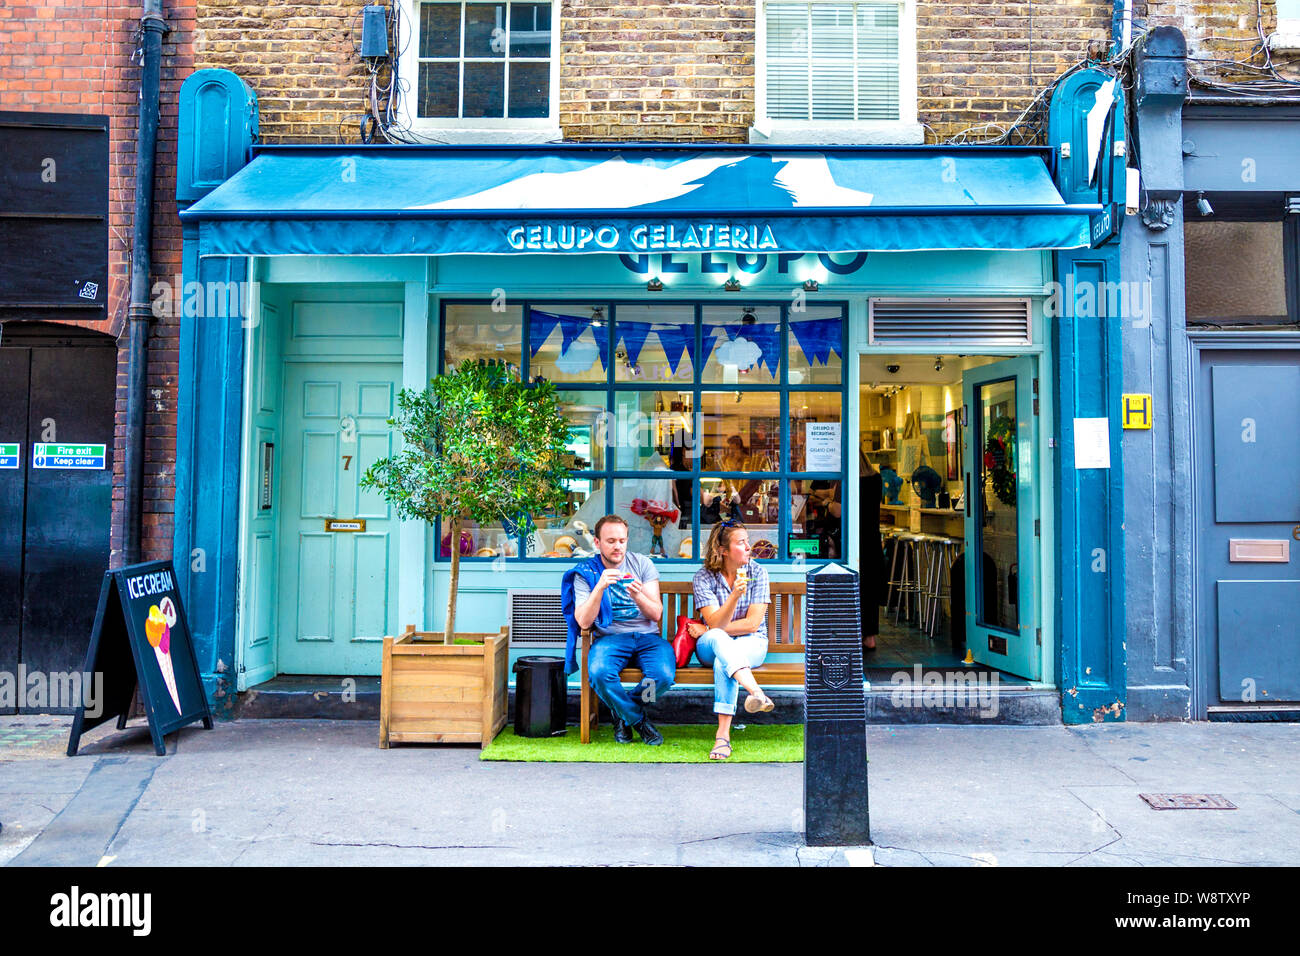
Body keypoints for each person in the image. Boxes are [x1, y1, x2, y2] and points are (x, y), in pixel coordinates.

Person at [563, 514, 673, 745]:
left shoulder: (642, 564)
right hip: (610, 639)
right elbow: (583, 622)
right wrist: (600, 587)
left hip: (648, 638)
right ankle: (639, 721)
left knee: (661, 677)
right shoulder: (587, 573)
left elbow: (656, 614)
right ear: (597, 543)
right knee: (601, 674)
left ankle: (621, 714)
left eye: (622, 541)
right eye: (611, 541)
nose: (617, 547)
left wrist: (638, 594)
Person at [683, 521, 774, 760]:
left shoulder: (758, 572)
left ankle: (722, 737)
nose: (748, 547)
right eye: (741, 542)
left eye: (747, 540)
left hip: (751, 642)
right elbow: (716, 627)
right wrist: (734, 597)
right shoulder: (703, 577)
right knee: (717, 638)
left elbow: (753, 624)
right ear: (723, 550)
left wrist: (710, 627)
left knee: (723, 659)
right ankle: (756, 692)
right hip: (710, 645)